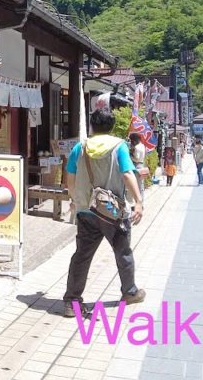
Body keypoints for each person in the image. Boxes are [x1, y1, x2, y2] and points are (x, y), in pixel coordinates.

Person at [62, 109, 145, 317]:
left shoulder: (80, 147)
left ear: (92, 125)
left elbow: (70, 177)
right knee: (123, 252)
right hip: (113, 212)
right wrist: (138, 202)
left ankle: (72, 301)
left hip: (86, 211)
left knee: (82, 255)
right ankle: (130, 292)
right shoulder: (119, 147)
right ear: (112, 125)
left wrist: (75, 199)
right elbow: (127, 174)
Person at [128, 133, 147, 199]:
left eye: (132, 140)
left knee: (136, 185)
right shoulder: (142, 145)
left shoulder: (136, 147)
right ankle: (141, 202)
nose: (131, 142)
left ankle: (137, 203)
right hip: (142, 165)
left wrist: (130, 154)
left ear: (134, 140)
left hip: (136, 166)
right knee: (141, 185)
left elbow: (137, 158)